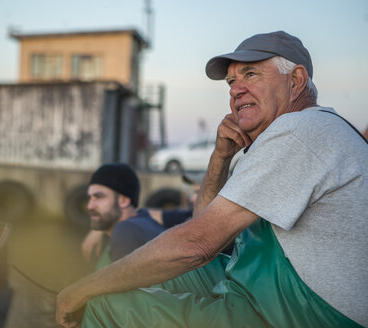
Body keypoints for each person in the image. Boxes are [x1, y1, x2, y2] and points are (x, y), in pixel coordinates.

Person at [56, 31, 368, 327]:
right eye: (232, 81)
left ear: (296, 80)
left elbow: (197, 244)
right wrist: (220, 156)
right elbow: (202, 222)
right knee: (133, 272)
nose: (235, 89)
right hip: (265, 291)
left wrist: (82, 289)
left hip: (302, 315)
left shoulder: (299, 132)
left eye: (250, 74)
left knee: (102, 304)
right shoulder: (298, 134)